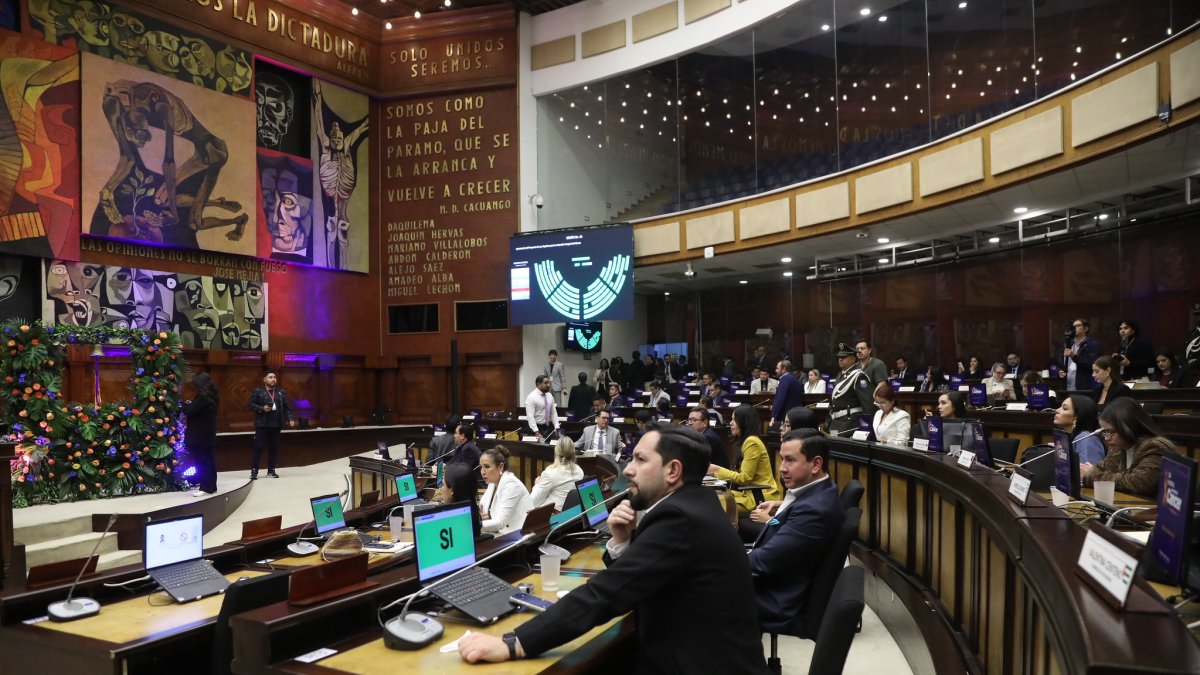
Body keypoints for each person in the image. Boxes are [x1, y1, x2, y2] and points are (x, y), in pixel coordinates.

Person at [458, 423, 770, 673]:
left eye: (641, 460)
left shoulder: (679, 518)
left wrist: (514, 643)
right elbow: (638, 580)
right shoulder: (697, 504)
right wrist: (621, 542)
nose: (628, 470)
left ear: (673, 471)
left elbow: (606, 593)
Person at [746, 433, 846, 633]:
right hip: (775, 583)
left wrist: (716, 559)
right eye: (782, 459)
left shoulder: (813, 511)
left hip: (775, 600)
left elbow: (764, 561)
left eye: (790, 460)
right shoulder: (820, 490)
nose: (782, 468)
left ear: (816, 464)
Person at [1081, 398, 1176, 499]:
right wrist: (1090, 472)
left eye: (1111, 432)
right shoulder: (1118, 447)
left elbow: (1139, 483)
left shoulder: (1155, 446)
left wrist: (1091, 476)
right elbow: (1101, 468)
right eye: (1105, 432)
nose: (1106, 438)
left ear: (1130, 427)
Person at [707, 404, 781, 516]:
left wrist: (717, 470)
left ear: (744, 422)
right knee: (709, 496)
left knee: (713, 504)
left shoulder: (752, 442)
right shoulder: (747, 441)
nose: (730, 423)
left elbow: (745, 477)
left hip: (760, 496)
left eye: (734, 419)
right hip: (749, 493)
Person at [246, 371, 295, 480]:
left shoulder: (281, 392)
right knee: (258, 447)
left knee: (274, 448)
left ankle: (271, 471)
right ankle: (254, 471)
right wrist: (262, 408)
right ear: (265, 379)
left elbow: (287, 407)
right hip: (262, 425)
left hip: (276, 425)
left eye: (274, 377)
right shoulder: (258, 391)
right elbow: (250, 405)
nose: (273, 379)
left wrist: (290, 419)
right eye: (270, 377)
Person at [478, 446, 534, 535]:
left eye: (487, 467)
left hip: (517, 536)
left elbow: (501, 522)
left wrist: (475, 524)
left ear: (500, 467)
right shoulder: (492, 483)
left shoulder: (511, 484)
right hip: (499, 533)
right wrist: (479, 516)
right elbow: (482, 508)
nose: (482, 472)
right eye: (481, 467)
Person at [184, 372, 219, 496]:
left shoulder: (202, 397)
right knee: (209, 460)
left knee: (202, 462)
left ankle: (205, 487)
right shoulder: (212, 395)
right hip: (207, 433)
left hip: (200, 435)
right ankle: (211, 486)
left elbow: (190, 411)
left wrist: (185, 405)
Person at [828, 343, 874, 435]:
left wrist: (866, 427)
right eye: (839, 357)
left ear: (853, 359)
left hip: (850, 422)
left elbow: (868, 404)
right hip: (836, 422)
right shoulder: (840, 375)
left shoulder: (858, 376)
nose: (840, 359)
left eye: (844, 357)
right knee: (833, 443)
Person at [530, 437, 585, 510]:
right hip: (571, 513)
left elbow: (533, 502)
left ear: (556, 452)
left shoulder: (550, 473)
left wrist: (537, 485)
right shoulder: (579, 471)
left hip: (552, 513)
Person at [1052, 394, 1106, 465]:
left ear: (1076, 416)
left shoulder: (1086, 439)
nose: (1057, 410)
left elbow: (1086, 470)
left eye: (1065, 408)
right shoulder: (1072, 437)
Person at [442, 463, 483, 540]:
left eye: (443, 484)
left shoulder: (446, 524)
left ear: (452, 490)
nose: (441, 489)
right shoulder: (474, 516)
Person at [1064, 318, 1100, 390]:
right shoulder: (1068, 344)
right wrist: (1060, 371)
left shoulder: (1092, 345)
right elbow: (1063, 363)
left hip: (1083, 387)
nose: (1074, 328)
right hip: (1067, 386)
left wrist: (1074, 356)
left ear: (1086, 329)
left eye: (1078, 326)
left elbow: (1091, 365)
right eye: (1073, 326)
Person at [524, 375, 560, 440]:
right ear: (538, 384)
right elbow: (530, 416)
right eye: (546, 383)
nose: (548, 385)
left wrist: (556, 426)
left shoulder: (549, 395)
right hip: (535, 428)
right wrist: (536, 432)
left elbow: (553, 412)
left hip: (547, 426)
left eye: (549, 383)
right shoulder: (531, 397)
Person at [769, 359, 804, 428]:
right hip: (795, 414)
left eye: (777, 368)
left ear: (784, 369)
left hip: (787, 415)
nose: (775, 370)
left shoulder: (785, 379)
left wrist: (774, 415)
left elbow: (780, 398)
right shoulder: (793, 378)